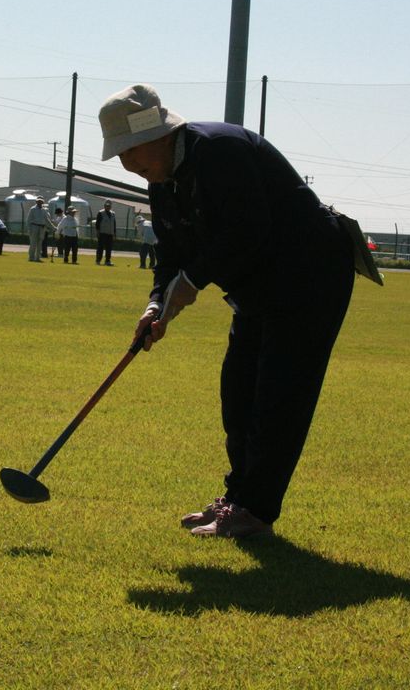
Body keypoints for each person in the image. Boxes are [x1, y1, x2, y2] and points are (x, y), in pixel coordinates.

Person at [99, 84, 356, 538]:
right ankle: (237, 500)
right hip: (258, 287)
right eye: (122, 156)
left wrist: (191, 283)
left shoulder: (220, 150)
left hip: (309, 276)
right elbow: (172, 254)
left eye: (131, 153)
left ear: (157, 137)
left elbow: (246, 232)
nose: (129, 166)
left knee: (278, 395)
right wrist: (157, 302)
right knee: (238, 391)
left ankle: (254, 512)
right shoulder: (162, 183)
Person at [26, 197, 52, 262]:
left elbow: (47, 220)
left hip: (42, 228)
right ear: (36, 202)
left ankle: (37, 258)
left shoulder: (44, 210)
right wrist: (29, 229)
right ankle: (31, 257)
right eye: (39, 202)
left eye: (41, 202)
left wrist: (53, 227)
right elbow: (28, 220)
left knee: (39, 243)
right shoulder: (33, 209)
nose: (40, 203)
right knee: (33, 243)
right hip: (34, 227)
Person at [94, 200, 117, 265]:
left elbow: (114, 224)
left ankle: (107, 261)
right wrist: (98, 232)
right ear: (104, 206)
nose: (108, 207)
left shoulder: (113, 213)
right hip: (102, 233)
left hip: (110, 234)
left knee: (109, 248)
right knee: (100, 247)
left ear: (111, 206)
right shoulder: (100, 213)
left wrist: (114, 233)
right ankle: (98, 260)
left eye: (109, 206)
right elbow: (97, 224)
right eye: (107, 205)